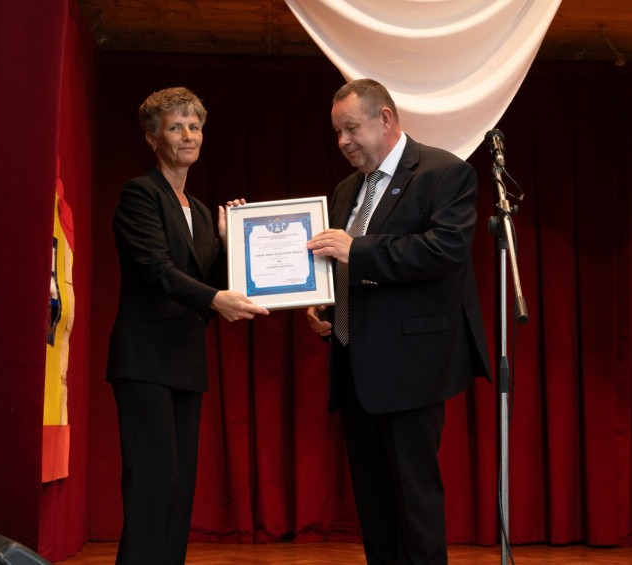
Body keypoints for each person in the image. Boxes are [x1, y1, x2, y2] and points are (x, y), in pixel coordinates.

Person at [306, 78, 492, 564]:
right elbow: (348, 266)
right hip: (354, 366)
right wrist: (326, 304)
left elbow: (445, 250)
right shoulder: (346, 190)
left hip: (411, 369)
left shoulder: (443, 173)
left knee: (415, 504)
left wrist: (357, 250)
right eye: (337, 132)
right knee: (375, 507)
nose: (343, 141)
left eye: (351, 128)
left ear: (385, 118)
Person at [106, 86, 269, 565]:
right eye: (175, 127)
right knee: (152, 481)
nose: (187, 135)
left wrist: (228, 243)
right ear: (151, 136)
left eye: (194, 126)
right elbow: (157, 270)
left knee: (178, 486)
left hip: (185, 359)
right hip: (144, 358)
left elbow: (208, 279)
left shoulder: (198, 209)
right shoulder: (140, 194)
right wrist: (216, 299)